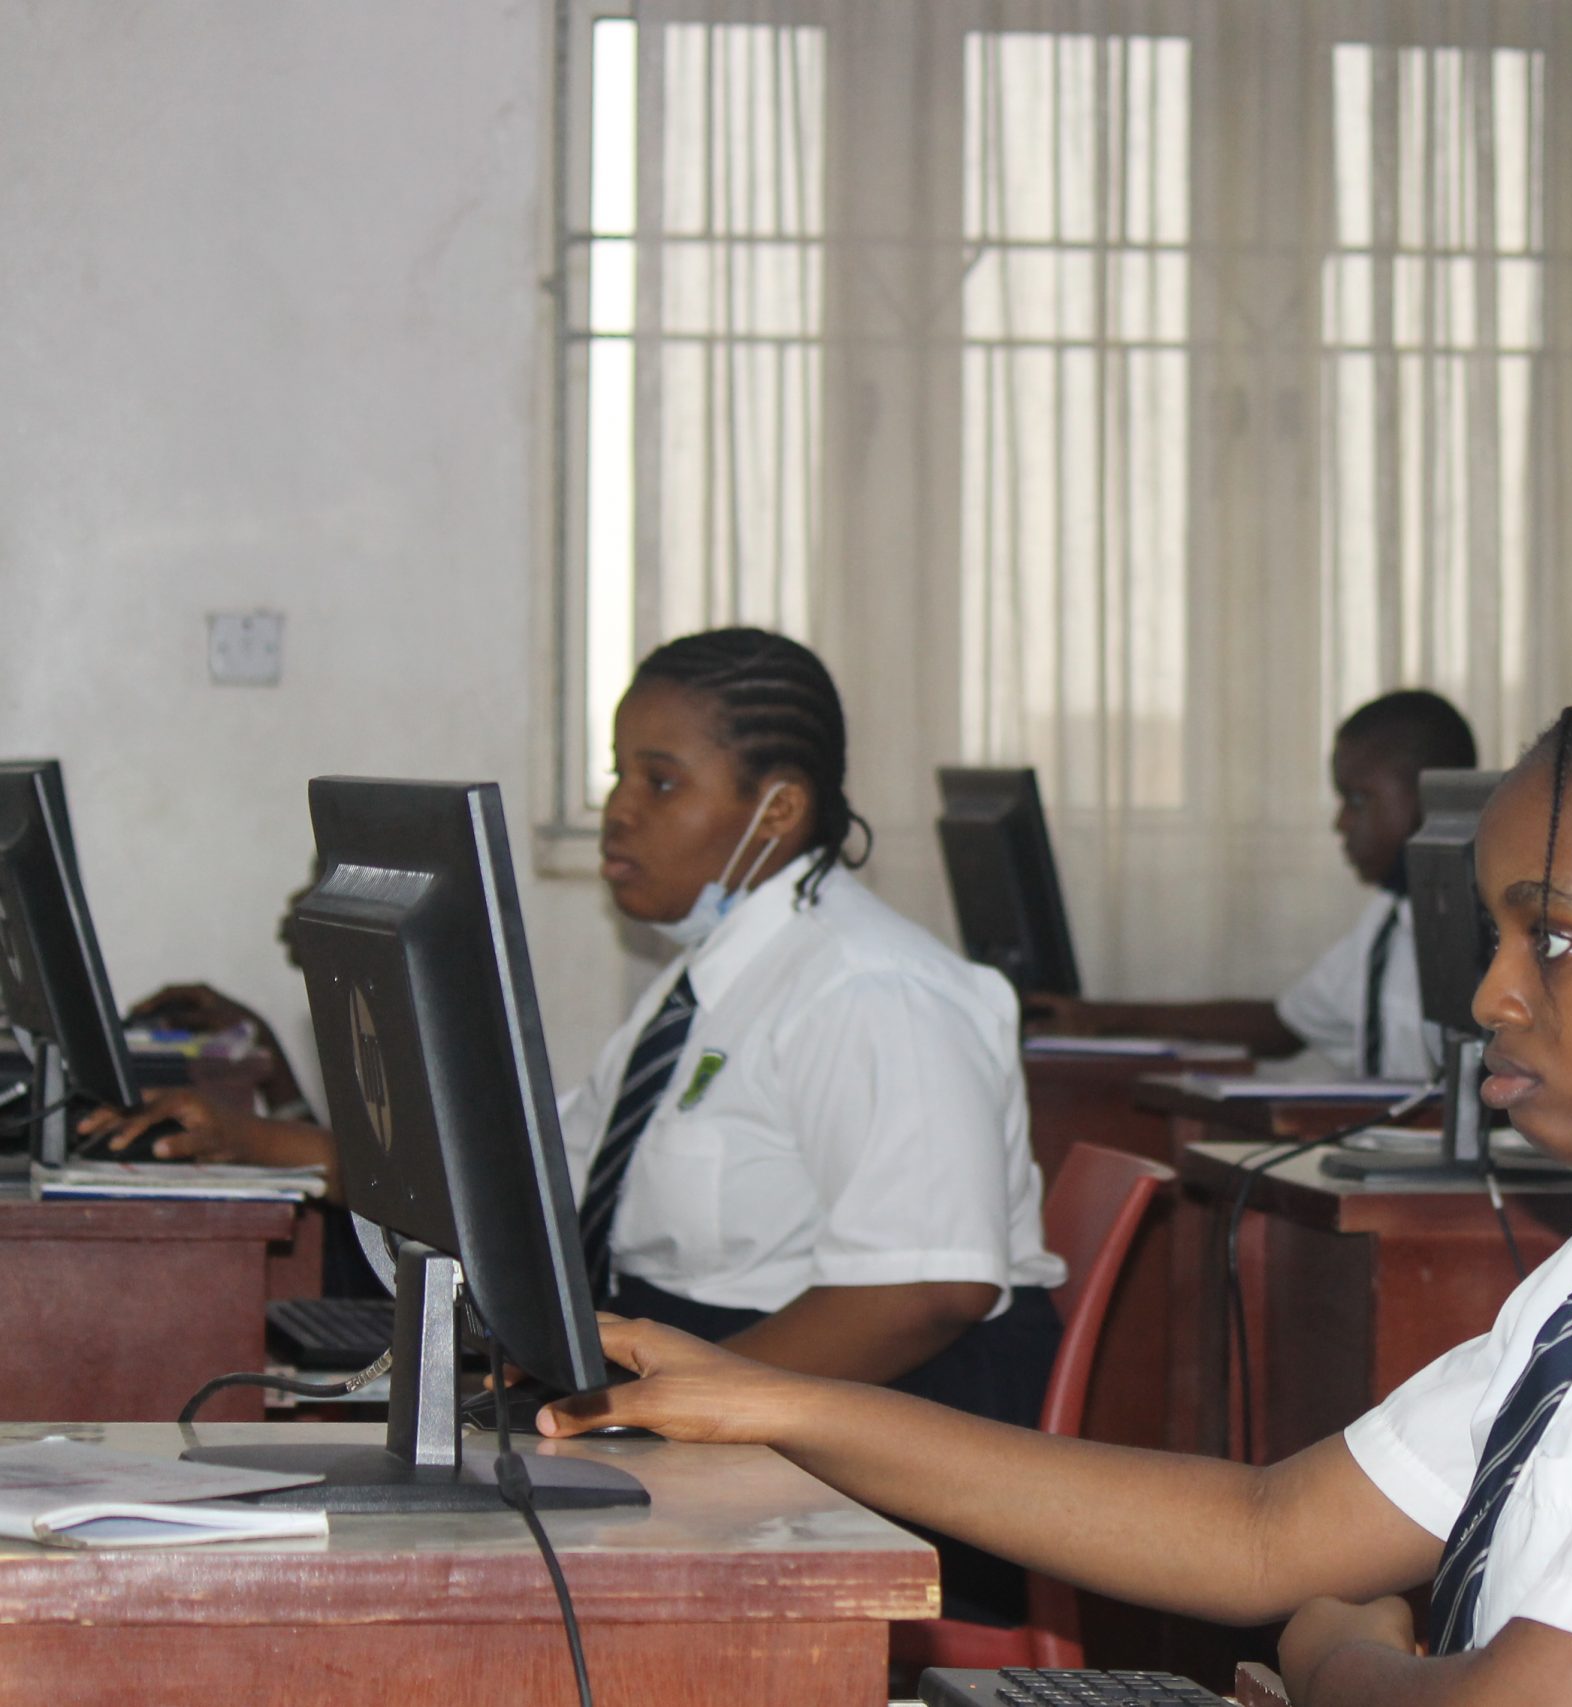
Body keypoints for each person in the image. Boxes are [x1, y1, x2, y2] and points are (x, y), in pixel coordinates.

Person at [545, 665, 1572, 1707]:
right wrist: (778, 1404)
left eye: (1547, 936)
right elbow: (1268, 1528)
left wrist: (1353, 1661)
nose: (1489, 995)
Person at [82, 628, 1066, 1622]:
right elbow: (533, 1174)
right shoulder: (708, 980)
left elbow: (927, 1291)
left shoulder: (872, 988)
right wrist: (271, 1147)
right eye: (617, 776)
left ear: (779, 808)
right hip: (721, 1396)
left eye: (661, 782)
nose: (618, 812)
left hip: (867, 1445)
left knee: (435, 1584)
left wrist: (677, 1412)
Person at [1033, 689, 1477, 1079]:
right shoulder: (1389, 919)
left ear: (1431, 795)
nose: (1340, 823)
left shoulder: (1491, 925)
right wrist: (1098, 1019)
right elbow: (1285, 1026)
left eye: (1358, 799)